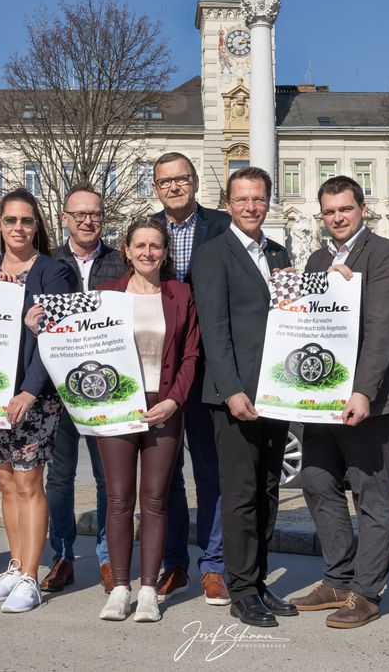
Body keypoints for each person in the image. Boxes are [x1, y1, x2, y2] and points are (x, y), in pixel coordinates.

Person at [289, 175, 389, 629]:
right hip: (321, 401)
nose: (338, 217)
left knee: (370, 494)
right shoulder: (319, 258)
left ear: (362, 209)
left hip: (367, 400)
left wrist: (362, 390)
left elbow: (383, 327)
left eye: (345, 209)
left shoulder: (384, 254)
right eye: (330, 211)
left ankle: (367, 591)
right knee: (317, 481)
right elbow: (308, 326)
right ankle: (338, 577)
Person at [191, 167, 296, 628]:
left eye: (258, 199)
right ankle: (240, 590)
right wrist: (232, 390)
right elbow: (214, 330)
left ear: (267, 202)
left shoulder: (278, 252)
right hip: (235, 396)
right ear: (228, 204)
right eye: (242, 199)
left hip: (276, 392)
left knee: (269, 490)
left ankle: (257, 580)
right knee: (239, 494)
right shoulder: (213, 254)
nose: (251, 206)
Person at [0, 188, 75, 613]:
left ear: (37, 226)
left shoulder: (53, 272)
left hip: (34, 397)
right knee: (6, 482)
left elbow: (56, 337)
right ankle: (15, 566)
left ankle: (32, 577)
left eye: (26, 221)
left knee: (29, 482)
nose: (18, 228)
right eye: (11, 220)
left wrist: (30, 391)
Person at [95, 217, 200, 623]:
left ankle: (149, 591)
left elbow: (192, 354)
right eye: (140, 245)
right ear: (127, 250)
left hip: (164, 406)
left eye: (156, 245)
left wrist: (174, 401)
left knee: (155, 500)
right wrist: (37, 322)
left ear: (166, 252)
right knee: (120, 498)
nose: (148, 252)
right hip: (118, 405)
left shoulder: (179, 293)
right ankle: (120, 589)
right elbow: (77, 341)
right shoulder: (106, 295)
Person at [150, 152, 231, 606]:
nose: (175, 187)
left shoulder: (221, 226)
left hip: (209, 368)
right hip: (159, 368)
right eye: (166, 181)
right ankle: (174, 560)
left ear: (195, 181)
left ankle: (214, 564)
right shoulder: (148, 232)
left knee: (208, 468)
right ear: (156, 188)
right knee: (165, 473)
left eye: (182, 178)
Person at [39, 184, 123, 595]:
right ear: (65, 218)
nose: (87, 220)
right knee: (60, 477)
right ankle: (63, 556)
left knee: (109, 479)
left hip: (107, 390)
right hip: (57, 390)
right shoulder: (47, 261)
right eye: (80, 214)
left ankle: (108, 558)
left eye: (95, 213)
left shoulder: (122, 262)